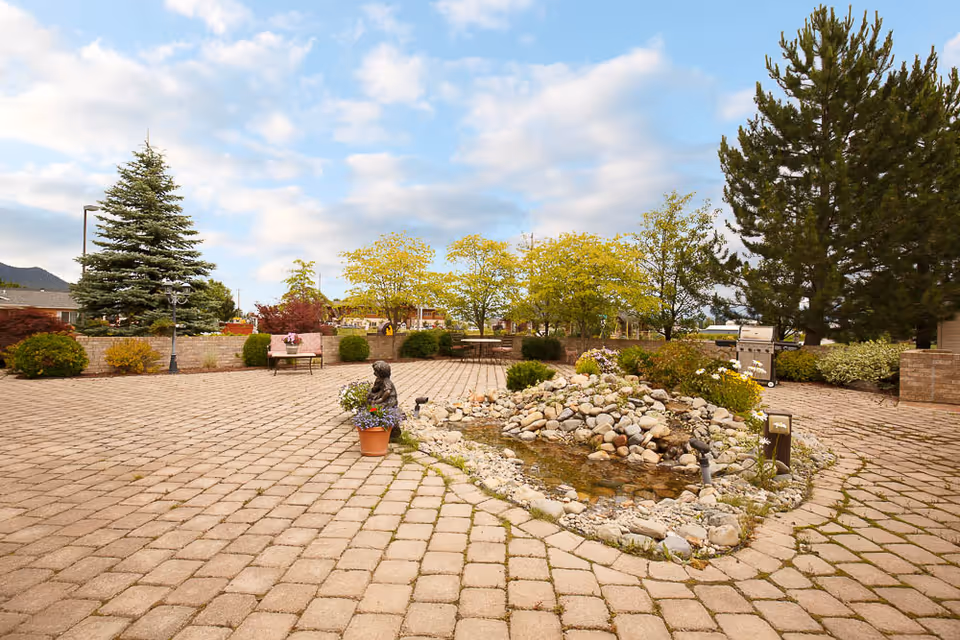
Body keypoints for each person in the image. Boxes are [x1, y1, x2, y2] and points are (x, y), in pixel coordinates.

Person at [366, 360, 404, 441]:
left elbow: (387, 392)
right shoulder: (379, 380)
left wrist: (380, 400)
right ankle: (373, 421)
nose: (374, 374)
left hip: (389, 400)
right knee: (370, 402)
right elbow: (375, 389)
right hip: (382, 396)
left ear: (382, 373)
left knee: (376, 407)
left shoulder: (386, 381)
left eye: (375, 372)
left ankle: (379, 423)